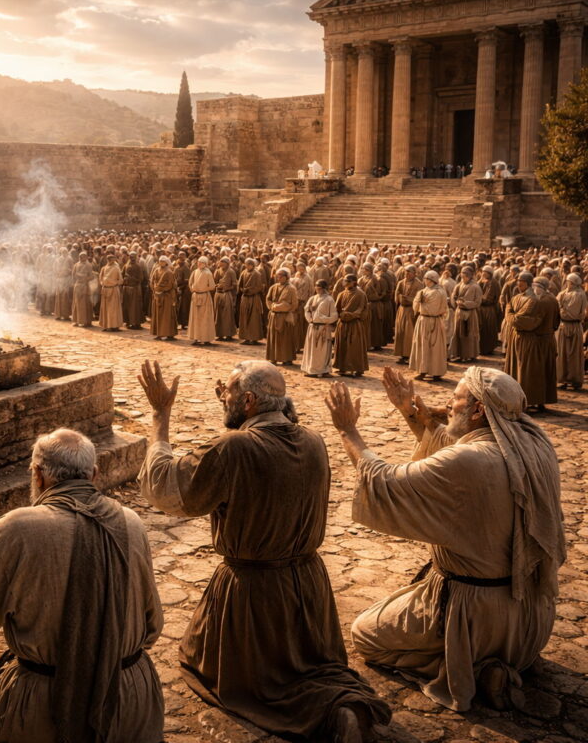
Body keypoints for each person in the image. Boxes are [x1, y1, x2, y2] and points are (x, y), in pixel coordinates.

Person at [137, 360, 391, 743]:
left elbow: (166, 485)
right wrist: (232, 407)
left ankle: (327, 712)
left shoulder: (233, 449)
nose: (223, 393)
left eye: (230, 391)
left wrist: (160, 413)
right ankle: (339, 706)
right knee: (311, 667)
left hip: (252, 595)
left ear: (250, 401)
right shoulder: (313, 441)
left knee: (238, 678)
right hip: (308, 588)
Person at [324, 366, 564, 714]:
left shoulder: (469, 460)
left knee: (365, 633)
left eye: (457, 398)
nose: (448, 404)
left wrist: (348, 429)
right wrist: (411, 411)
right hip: (529, 624)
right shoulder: (533, 444)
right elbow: (455, 450)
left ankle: (473, 667)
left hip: (474, 615)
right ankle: (502, 660)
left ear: (480, 410)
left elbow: (387, 480)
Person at [0, 429, 165, 743]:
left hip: (51, 702)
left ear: (38, 476)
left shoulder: (18, 526)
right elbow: (152, 625)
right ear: (94, 474)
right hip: (131, 700)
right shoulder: (131, 522)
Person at [504, 273, 558, 412]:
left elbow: (521, 321)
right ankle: (539, 401)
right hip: (542, 339)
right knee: (540, 372)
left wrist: (510, 315)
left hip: (531, 340)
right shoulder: (548, 299)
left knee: (528, 372)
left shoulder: (536, 301)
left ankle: (529, 401)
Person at [410, 270, 447, 381]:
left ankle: (436, 372)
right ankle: (422, 370)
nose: (424, 281)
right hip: (423, 321)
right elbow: (415, 306)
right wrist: (419, 301)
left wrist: (421, 302)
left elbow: (432, 309)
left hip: (433, 322)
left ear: (432, 280)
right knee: (423, 346)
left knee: (435, 348)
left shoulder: (438, 292)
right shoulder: (425, 291)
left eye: (426, 279)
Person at [333, 274, 369, 377]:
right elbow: (337, 308)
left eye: (348, 281)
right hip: (343, 324)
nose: (345, 283)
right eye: (344, 281)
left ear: (354, 282)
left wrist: (350, 315)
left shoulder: (361, 295)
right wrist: (341, 315)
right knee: (342, 346)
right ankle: (343, 367)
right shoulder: (341, 294)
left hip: (354, 324)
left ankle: (356, 368)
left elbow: (362, 310)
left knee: (354, 347)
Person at [556, 273, 587, 389]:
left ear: (573, 283)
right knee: (562, 353)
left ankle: (574, 380)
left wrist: (561, 310)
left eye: (569, 281)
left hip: (573, 326)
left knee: (574, 354)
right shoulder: (563, 293)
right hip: (563, 327)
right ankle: (563, 378)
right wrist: (561, 309)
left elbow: (570, 313)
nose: (567, 283)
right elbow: (556, 306)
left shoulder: (578, 295)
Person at [301, 280, 338, 377]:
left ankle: (323, 370)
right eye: (317, 287)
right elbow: (307, 310)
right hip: (312, 327)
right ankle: (311, 370)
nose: (318, 289)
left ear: (324, 288)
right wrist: (311, 319)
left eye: (320, 287)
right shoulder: (312, 298)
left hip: (324, 328)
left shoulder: (329, 300)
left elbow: (334, 316)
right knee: (311, 349)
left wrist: (323, 320)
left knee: (323, 351)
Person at [265, 268, 299, 365]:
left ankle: (286, 358)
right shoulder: (273, 287)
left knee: (285, 338)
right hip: (274, 316)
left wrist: (283, 308)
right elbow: (268, 299)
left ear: (286, 277)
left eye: (281, 276)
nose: (278, 277)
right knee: (273, 337)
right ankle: (273, 357)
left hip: (285, 317)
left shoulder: (291, 289)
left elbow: (294, 304)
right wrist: (273, 307)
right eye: (277, 275)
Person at [449, 267, 482, 362]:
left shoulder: (475, 287)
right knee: (458, 333)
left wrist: (466, 304)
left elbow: (477, 302)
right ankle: (459, 354)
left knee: (470, 334)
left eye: (465, 276)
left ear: (469, 276)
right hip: (459, 313)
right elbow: (453, 296)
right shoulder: (459, 285)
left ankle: (470, 355)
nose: (463, 278)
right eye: (462, 276)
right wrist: (455, 302)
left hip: (470, 314)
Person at [393, 265, 422, 364]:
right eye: (406, 272)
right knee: (401, 332)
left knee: (409, 334)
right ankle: (402, 354)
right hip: (402, 310)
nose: (407, 274)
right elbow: (396, 295)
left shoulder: (419, 284)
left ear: (414, 273)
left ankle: (410, 355)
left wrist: (409, 299)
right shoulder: (401, 283)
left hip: (411, 311)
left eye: (409, 272)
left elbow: (419, 299)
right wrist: (400, 298)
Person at [188, 256, 216, 345]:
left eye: (201, 262)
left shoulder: (208, 273)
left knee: (205, 319)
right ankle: (196, 338)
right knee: (195, 318)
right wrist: (193, 289)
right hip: (196, 297)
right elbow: (190, 283)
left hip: (205, 297)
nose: (199, 263)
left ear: (205, 264)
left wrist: (203, 289)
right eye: (199, 262)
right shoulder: (195, 272)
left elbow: (212, 286)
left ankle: (206, 339)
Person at [237, 258, 264, 345]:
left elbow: (259, 287)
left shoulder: (257, 274)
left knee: (253, 318)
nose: (248, 266)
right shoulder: (243, 273)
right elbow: (240, 285)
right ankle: (246, 337)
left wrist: (250, 291)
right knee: (244, 317)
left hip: (254, 298)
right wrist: (243, 290)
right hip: (245, 298)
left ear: (253, 265)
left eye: (250, 264)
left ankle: (254, 338)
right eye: (247, 264)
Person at [150, 255, 178, 341]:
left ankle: (170, 334)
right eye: (160, 261)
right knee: (158, 315)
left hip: (167, 297)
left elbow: (170, 285)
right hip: (157, 297)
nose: (161, 262)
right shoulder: (156, 270)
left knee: (168, 315)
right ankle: (159, 333)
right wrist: (155, 290)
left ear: (166, 263)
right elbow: (152, 281)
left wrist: (160, 289)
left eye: (163, 261)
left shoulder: (169, 272)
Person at [213, 257, 238, 341]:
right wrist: (217, 286)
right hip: (218, 294)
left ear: (227, 263)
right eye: (221, 262)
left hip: (227, 294)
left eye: (224, 262)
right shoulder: (217, 271)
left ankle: (229, 334)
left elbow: (234, 284)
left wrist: (228, 288)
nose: (222, 264)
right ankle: (219, 334)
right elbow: (214, 281)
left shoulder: (231, 272)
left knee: (227, 315)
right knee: (218, 315)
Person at [121, 251, 146, 330]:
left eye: (133, 256)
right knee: (127, 306)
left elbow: (141, 278)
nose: (131, 258)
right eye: (130, 256)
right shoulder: (126, 265)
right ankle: (128, 321)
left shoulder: (138, 266)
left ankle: (136, 323)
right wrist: (124, 280)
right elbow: (122, 275)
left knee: (135, 307)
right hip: (127, 288)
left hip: (135, 288)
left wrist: (132, 279)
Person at [98, 255, 123, 331]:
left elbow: (121, 280)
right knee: (106, 309)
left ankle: (114, 326)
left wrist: (114, 284)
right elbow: (100, 278)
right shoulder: (104, 268)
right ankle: (106, 325)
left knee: (114, 309)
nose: (110, 260)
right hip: (105, 290)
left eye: (111, 259)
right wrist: (104, 284)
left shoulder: (116, 268)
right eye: (108, 259)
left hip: (113, 290)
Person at [72, 252, 96, 327]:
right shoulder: (76, 265)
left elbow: (92, 276)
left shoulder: (88, 265)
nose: (81, 258)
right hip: (78, 285)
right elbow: (73, 274)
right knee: (76, 303)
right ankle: (77, 320)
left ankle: (87, 321)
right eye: (80, 256)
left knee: (86, 304)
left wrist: (85, 278)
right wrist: (77, 278)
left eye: (82, 256)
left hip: (85, 286)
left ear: (85, 257)